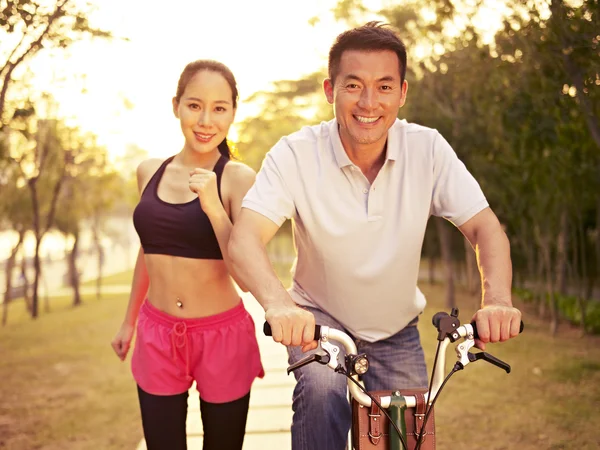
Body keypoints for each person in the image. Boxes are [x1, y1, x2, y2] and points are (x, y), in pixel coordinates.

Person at [228, 22, 522, 450]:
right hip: (318, 326)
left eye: (384, 87)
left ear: (402, 94)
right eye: (354, 85)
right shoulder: (294, 154)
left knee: (408, 433)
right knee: (322, 392)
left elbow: (486, 229)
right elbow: (245, 239)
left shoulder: (428, 149)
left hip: (396, 330)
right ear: (330, 90)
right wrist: (279, 306)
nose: (368, 103)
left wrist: (497, 300)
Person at [111, 59, 264, 450]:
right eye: (195, 105)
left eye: (219, 108)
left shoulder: (238, 178)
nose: (205, 120)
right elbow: (148, 252)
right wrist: (129, 321)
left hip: (222, 336)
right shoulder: (149, 171)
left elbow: (247, 278)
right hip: (157, 334)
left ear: (232, 113)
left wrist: (213, 207)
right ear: (176, 105)